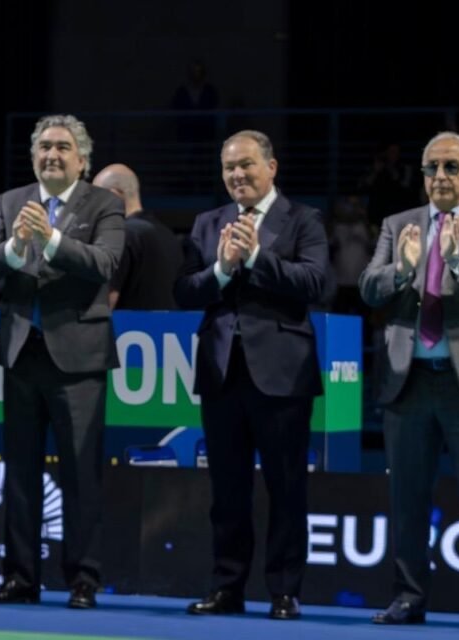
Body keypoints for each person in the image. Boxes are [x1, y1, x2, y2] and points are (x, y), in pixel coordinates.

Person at [358, 132, 459, 632]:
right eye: (432, 168)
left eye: (452, 167)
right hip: (408, 382)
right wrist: (402, 271)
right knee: (406, 499)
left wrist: (455, 260)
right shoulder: (398, 224)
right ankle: (409, 597)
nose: (441, 177)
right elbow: (368, 288)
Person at [173, 130, 328, 622]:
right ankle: (227, 588)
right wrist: (221, 269)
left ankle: (284, 591)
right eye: (229, 168)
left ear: (272, 167)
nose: (237, 175)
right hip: (221, 373)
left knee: (286, 488)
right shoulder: (206, 223)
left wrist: (258, 258)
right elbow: (183, 290)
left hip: (282, 374)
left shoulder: (304, 220)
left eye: (246, 165)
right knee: (227, 490)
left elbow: (315, 284)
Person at [0, 115, 125, 610]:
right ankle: (21, 577)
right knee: (19, 473)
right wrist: (19, 245)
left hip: (79, 358)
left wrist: (53, 240)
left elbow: (105, 264)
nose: (51, 155)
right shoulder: (10, 201)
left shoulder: (105, 203)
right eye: (44, 147)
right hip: (21, 352)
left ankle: (83, 579)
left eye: (62, 147)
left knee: (81, 474)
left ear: (83, 159)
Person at [91, 164, 181, 310]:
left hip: (125, 331)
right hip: (169, 331)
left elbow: (104, 305)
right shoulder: (168, 235)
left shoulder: (119, 234)